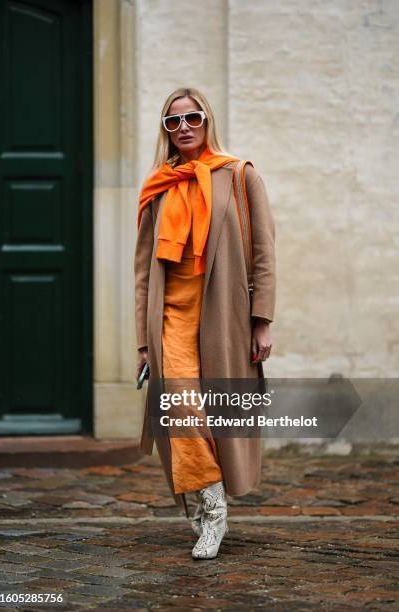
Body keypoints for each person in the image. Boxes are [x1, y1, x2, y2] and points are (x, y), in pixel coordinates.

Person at [134, 87, 276, 559]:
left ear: (206, 119)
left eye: (191, 117)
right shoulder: (158, 186)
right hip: (170, 317)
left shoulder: (238, 175)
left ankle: (206, 507)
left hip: (222, 317)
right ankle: (212, 514)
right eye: (173, 122)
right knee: (183, 410)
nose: (184, 128)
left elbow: (263, 253)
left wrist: (262, 321)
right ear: (165, 131)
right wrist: (141, 343)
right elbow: (142, 274)